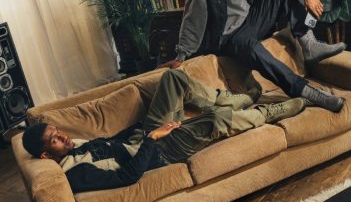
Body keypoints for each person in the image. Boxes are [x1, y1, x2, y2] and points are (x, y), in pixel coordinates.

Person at [22, 70, 307, 194]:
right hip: (160, 153)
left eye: (58, 131)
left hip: (147, 134)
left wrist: (147, 128)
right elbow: (127, 176)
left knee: (173, 78)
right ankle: (270, 111)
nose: (63, 136)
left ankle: (238, 99)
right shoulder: (76, 173)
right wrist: (152, 139)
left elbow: (114, 142)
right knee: (217, 118)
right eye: (55, 139)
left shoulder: (76, 147)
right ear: (46, 155)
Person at [162, 0, 346, 113]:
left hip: (252, 23)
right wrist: (181, 55)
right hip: (228, 38)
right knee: (250, 46)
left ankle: (309, 44)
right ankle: (307, 91)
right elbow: (193, 19)